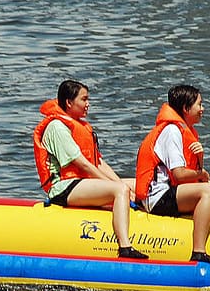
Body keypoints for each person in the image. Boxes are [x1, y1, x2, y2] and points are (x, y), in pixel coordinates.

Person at [32, 79, 148, 260]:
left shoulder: (81, 126)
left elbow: (98, 162)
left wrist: (126, 187)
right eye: (84, 99)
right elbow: (82, 164)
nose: (88, 104)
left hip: (84, 183)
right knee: (120, 190)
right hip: (64, 187)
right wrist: (120, 188)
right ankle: (125, 247)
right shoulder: (57, 127)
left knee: (136, 184)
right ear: (69, 102)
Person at [135, 84, 210, 266]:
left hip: (175, 191)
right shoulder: (172, 131)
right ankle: (198, 251)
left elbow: (190, 175)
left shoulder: (185, 130)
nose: (202, 109)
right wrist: (202, 173)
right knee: (208, 191)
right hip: (158, 198)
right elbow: (179, 174)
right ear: (186, 108)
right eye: (199, 104)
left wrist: (200, 159)